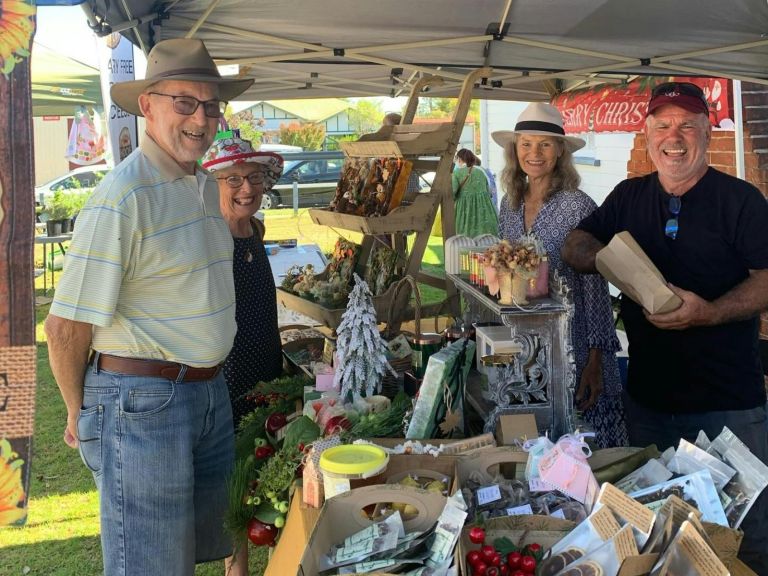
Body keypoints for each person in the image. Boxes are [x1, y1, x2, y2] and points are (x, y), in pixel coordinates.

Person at [44, 38, 253, 576]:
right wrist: (79, 413)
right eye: (185, 102)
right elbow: (65, 325)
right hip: (143, 403)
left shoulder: (205, 186)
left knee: (182, 554)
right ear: (148, 106)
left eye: (210, 106)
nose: (200, 119)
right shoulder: (124, 197)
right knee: (150, 564)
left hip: (206, 392)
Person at [561, 81, 768, 572]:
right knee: (654, 530)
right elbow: (575, 243)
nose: (673, 138)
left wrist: (709, 312)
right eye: (662, 125)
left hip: (727, 405)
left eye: (687, 126)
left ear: (706, 130)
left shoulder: (741, 201)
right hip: (649, 400)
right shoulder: (630, 195)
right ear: (648, 131)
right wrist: (602, 260)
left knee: (746, 532)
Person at [492, 102, 628, 448]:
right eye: (526, 144)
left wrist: (596, 360)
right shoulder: (509, 203)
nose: (534, 153)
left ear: (560, 152)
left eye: (545, 144)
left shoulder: (578, 206)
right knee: (537, 442)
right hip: (529, 347)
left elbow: (597, 286)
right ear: (515, 150)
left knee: (583, 444)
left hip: (578, 344)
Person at [202, 135, 285, 575]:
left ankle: (275, 556)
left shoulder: (256, 230)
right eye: (232, 178)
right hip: (227, 369)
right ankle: (237, 566)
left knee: (265, 461)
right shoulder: (208, 235)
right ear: (213, 183)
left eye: (253, 177)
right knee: (232, 474)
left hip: (265, 363)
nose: (246, 188)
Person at [452, 148, 499, 237]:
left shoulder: (457, 173)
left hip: (465, 210)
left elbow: (452, 192)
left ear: (460, 159)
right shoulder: (482, 171)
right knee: (487, 240)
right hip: (485, 209)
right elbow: (489, 189)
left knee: (466, 240)